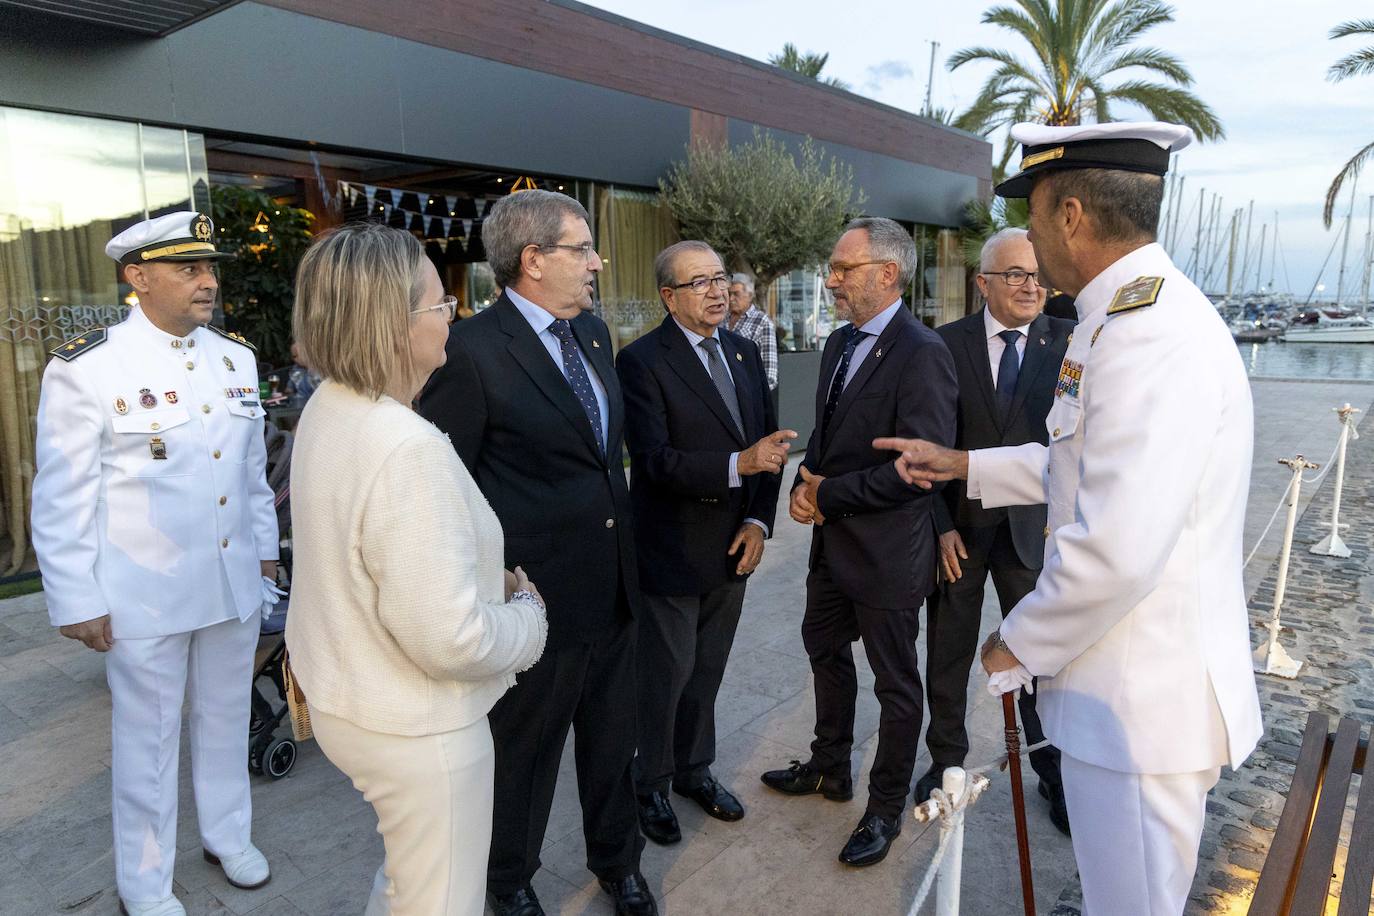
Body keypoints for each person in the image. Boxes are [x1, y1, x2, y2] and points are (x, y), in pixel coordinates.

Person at [875, 121, 1263, 915]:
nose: (1031, 238)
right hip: (1123, 693)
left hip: (1139, 705)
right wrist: (963, 464)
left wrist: (1017, 641)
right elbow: (1076, 465)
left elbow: (1117, 548)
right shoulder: (1117, 318)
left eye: (1035, 213)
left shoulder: (1150, 334)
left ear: (1072, 215)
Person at [286, 223, 547, 916]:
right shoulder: (405, 446)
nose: (453, 315)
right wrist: (529, 619)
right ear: (394, 325)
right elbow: (452, 639)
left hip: (354, 700)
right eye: (440, 303)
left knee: (408, 883)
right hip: (417, 727)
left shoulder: (330, 405)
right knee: (440, 901)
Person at [30, 211, 280, 916]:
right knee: (148, 739)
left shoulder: (234, 358)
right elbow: (62, 496)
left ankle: (228, 837)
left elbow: (251, 477)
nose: (208, 282)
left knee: (226, 718)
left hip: (231, 584)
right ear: (137, 277)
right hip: (144, 594)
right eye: (188, 269)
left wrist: (265, 559)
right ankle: (144, 881)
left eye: (210, 269)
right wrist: (77, 599)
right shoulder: (88, 367)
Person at [417, 190, 656, 916]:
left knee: (614, 744)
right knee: (524, 755)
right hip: (534, 603)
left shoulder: (593, 335)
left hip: (615, 588)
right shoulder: (470, 351)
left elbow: (604, 459)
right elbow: (447, 488)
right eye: (582, 249)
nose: (597, 262)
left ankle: (619, 863)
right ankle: (509, 880)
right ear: (534, 260)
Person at [760, 217, 957, 867]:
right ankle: (830, 766)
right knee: (822, 647)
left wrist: (830, 495)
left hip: (888, 554)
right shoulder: (841, 342)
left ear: (887, 273)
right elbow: (829, 434)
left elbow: (920, 469)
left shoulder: (923, 352)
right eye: (833, 268)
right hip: (831, 549)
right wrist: (803, 485)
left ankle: (884, 808)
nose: (831, 280)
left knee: (895, 685)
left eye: (844, 269)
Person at [617, 241, 795, 845]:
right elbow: (654, 461)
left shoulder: (742, 351)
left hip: (734, 548)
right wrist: (737, 464)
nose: (717, 291)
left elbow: (769, 449)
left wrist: (760, 522)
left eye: (720, 278)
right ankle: (649, 782)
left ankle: (694, 770)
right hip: (670, 548)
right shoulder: (641, 361)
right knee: (666, 674)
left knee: (707, 672)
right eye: (700, 283)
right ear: (669, 297)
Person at [917, 228, 1074, 836]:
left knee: (1038, 656)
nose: (1030, 285)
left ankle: (1051, 771)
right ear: (983, 283)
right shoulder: (944, 344)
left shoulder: (1069, 342)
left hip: (1030, 531)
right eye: (1014, 274)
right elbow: (929, 442)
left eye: (1036, 275)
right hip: (959, 531)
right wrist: (938, 526)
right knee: (949, 652)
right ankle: (946, 764)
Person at [726, 273, 779, 393]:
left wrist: (753, 396)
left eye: (736, 294)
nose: (731, 299)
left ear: (750, 295)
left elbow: (770, 373)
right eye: (729, 294)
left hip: (748, 393)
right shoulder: (721, 319)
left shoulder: (762, 322)